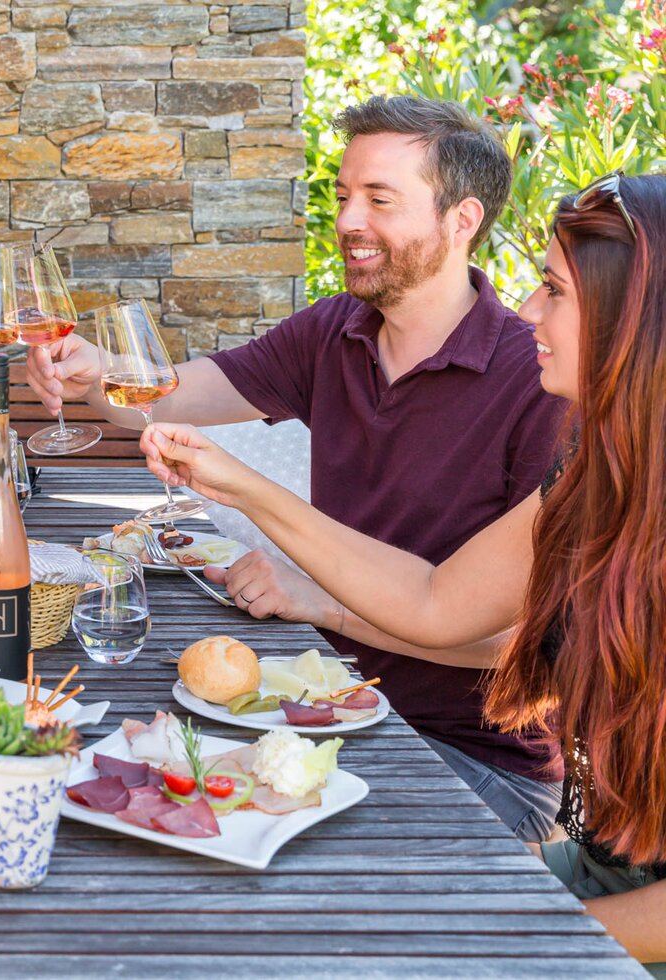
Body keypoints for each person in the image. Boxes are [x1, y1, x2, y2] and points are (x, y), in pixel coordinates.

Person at [138, 170, 666, 970]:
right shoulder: (597, 477)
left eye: (553, 291)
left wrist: (509, 932)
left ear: (635, 320)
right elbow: (433, 598)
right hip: (600, 864)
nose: (529, 310)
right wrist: (244, 487)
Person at [27, 95, 567, 839]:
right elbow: (171, 398)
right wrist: (95, 373)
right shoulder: (334, 331)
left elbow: (519, 646)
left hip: (470, 757)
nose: (348, 220)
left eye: (380, 200)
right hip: (325, 709)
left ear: (462, 220)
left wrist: (320, 602)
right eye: (345, 195)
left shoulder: (539, 381)